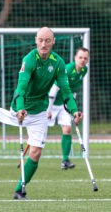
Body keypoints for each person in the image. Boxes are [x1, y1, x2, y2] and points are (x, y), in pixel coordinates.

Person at [11, 27, 82, 200]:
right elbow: (21, 87)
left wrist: (74, 111)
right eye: (41, 40)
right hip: (20, 108)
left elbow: (66, 91)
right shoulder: (29, 59)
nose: (44, 44)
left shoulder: (58, 62)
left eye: (47, 40)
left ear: (53, 42)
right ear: (36, 40)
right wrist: (20, 108)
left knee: (36, 153)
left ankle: (19, 190)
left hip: (39, 111)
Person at [47, 47, 89, 169]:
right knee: (40, 132)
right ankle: (24, 157)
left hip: (64, 104)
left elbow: (73, 91)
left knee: (67, 129)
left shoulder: (84, 71)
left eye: (85, 58)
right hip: (51, 102)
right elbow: (54, 89)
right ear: (75, 58)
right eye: (80, 57)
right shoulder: (67, 69)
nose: (82, 60)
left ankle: (65, 161)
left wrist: (73, 110)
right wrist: (48, 110)